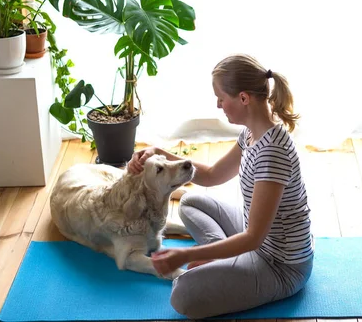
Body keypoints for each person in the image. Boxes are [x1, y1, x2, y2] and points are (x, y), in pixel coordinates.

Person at [127, 54, 314, 319]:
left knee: (182, 294)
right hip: (257, 237)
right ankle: (223, 257)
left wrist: (185, 256)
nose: (218, 105)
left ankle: (221, 257)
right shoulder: (252, 132)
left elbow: (253, 238)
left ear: (244, 98)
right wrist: (160, 152)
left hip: (280, 265)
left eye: (221, 98)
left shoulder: (273, 153)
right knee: (191, 202)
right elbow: (213, 175)